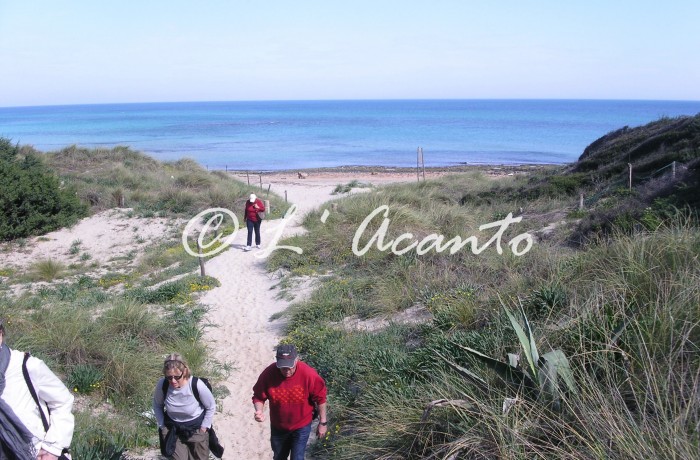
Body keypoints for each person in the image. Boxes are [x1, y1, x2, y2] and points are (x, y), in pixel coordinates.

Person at [0, 318, 74, 460]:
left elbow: (63, 401)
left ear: (1, 334)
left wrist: (52, 449)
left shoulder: (26, 366)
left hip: (33, 454)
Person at [252, 344, 328, 460]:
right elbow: (258, 396)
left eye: (290, 366)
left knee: (297, 457)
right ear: (277, 361)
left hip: (301, 426)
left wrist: (323, 423)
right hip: (278, 427)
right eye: (283, 367)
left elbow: (321, 398)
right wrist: (259, 411)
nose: (287, 371)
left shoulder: (308, 374)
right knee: (279, 457)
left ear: (296, 360)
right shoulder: (268, 374)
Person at [152, 354, 216, 460]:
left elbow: (211, 406)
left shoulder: (196, 384)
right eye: (169, 377)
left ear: (184, 372)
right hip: (173, 431)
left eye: (177, 377)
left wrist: (204, 427)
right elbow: (157, 405)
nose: (173, 381)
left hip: (196, 430)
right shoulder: (162, 385)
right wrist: (162, 426)